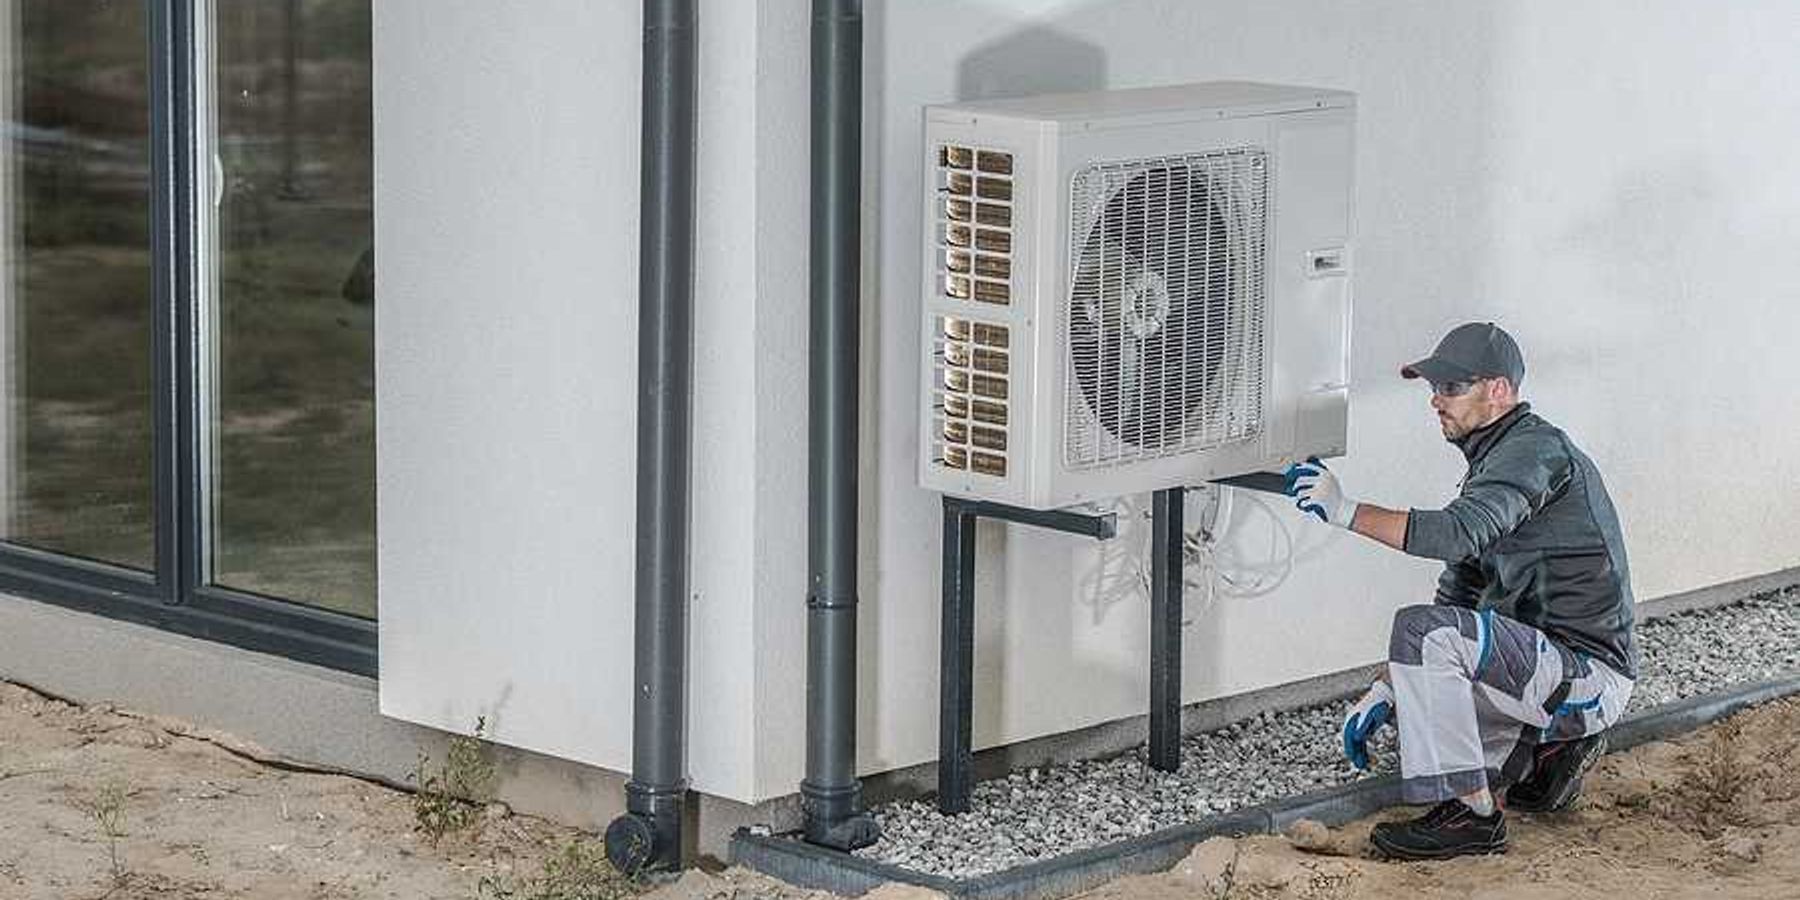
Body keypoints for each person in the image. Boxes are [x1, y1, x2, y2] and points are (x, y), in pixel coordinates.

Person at [1283, 321, 1638, 860]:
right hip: (1546, 667)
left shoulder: (1535, 452)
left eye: (1452, 388)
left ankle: (1471, 820)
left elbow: (1456, 532)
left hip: (1587, 674)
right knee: (1420, 693)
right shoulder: (1495, 463)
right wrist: (1389, 686)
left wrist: (1344, 511)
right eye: (1434, 389)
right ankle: (1547, 759)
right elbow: (1458, 593)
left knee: (1421, 642)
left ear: (1498, 390)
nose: (1436, 401)